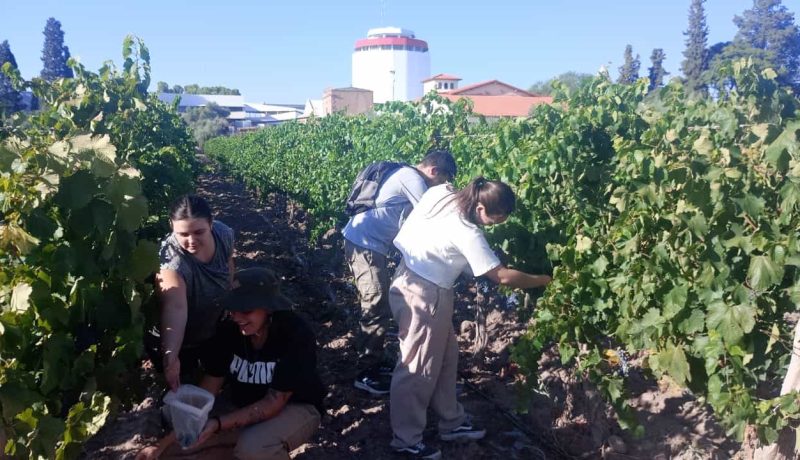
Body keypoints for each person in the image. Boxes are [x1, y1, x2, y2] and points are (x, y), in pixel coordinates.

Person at [388, 177, 552, 459]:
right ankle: (406, 440)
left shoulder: (442, 193)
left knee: (445, 358)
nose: (495, 226)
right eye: (495, 220)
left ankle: (451, 421)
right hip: (427, 296)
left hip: (407, 279)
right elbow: (501, 276)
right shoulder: (468, 233)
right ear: (479, 208)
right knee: (417, 368)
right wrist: (544, 280)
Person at [136, 267, 325, 460]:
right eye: (233, 309)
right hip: (246, 407)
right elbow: (207, 391)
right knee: (178, 451)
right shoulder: (228, 331)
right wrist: (161, 445)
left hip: (296, 407)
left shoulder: (294, 334)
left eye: (245, 310)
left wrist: (218, 424)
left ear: (268, 308)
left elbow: (274, 402)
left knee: (254, 448)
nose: (237, 317)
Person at [342, 149, 457, 395]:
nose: (443, 186)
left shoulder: (405, 175)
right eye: (444, 180)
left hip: (369, 245)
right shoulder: (412, 178)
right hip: (365, 245)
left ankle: (375, 358)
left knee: (379, 303)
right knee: (374, 303)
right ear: (434, 171)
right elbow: (433, 213)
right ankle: (365, 374)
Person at [151, 194, 235, 390]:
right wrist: (171, 358)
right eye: (183, 234)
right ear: (171, 226)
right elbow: (175, 307)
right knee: (183, 384)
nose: (191, 241)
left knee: (218, 373)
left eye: (199, 232)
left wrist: (230, 299)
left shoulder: (224, 235)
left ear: (211, 224)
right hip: (183, 337)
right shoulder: (170, 259)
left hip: (214, 323)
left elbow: (229, 265)